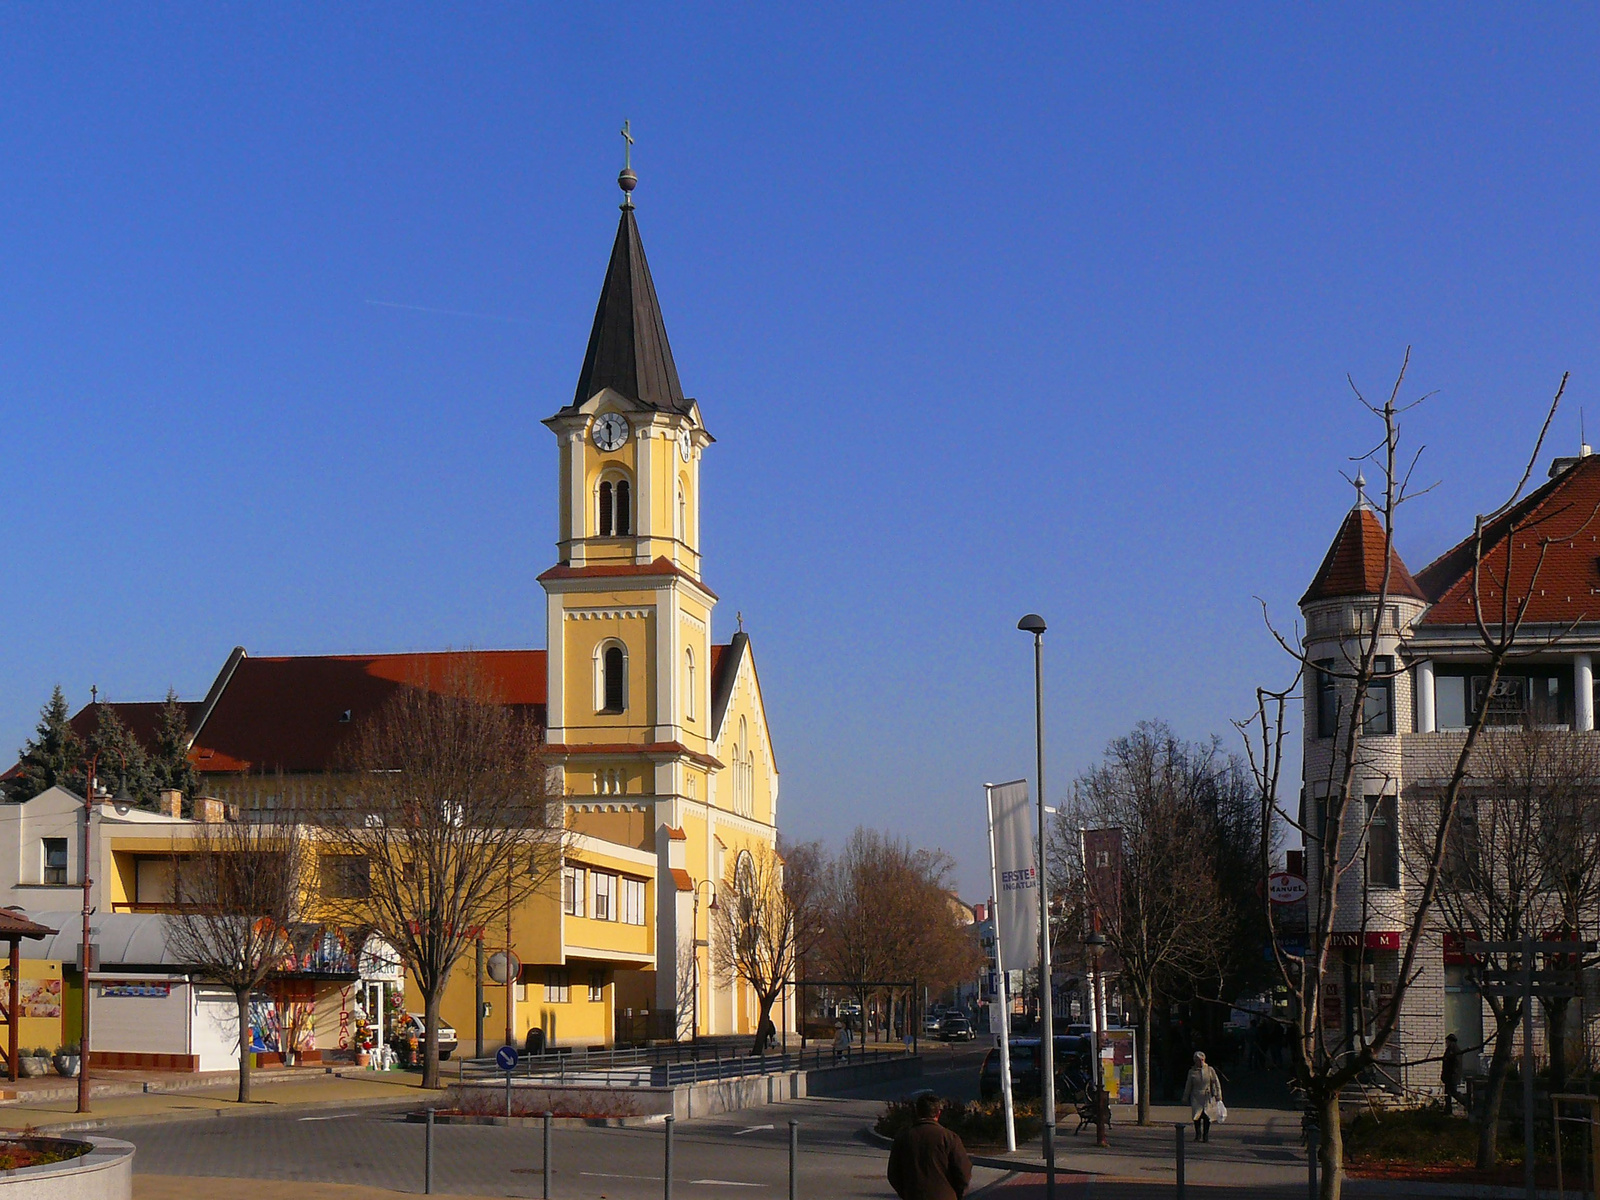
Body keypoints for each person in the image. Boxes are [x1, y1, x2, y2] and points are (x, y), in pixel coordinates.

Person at [887, 1093, 972, 1200]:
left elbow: (893, 1174)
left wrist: (906, 1193)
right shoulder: (949, 1138)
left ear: (917, 1112)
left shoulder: (903, 1137)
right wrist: (957, 1193)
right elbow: (963, 1171)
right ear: (938, 1113)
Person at [1182, 1051, 1224, 1142]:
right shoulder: (1192, 1071)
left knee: (1207, 1116)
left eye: (1201, 1060)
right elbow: (1188, 1085)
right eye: (1197, 1060)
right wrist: (1185, 1097)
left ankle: (1206, 1136)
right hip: (1196, 1096)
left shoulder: (1210, 1070)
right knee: (1196, 1116)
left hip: (1207, 1096)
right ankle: (1198, 1135)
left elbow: (1216, 1082)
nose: (1199, 1062)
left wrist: (1218, 1095)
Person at [1441, 1034, 1462, 1114]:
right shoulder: (1451, 1049)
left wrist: (1453, 1075)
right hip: (1449, 1076)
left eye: (1447, 1041)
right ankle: (1448, 1109)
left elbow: (1455, 1065)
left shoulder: (1453, 1050)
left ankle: (1466, 1102)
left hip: (1452, 1076)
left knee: (1453, 1092)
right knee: (1447, 1093)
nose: (1446, 1043)